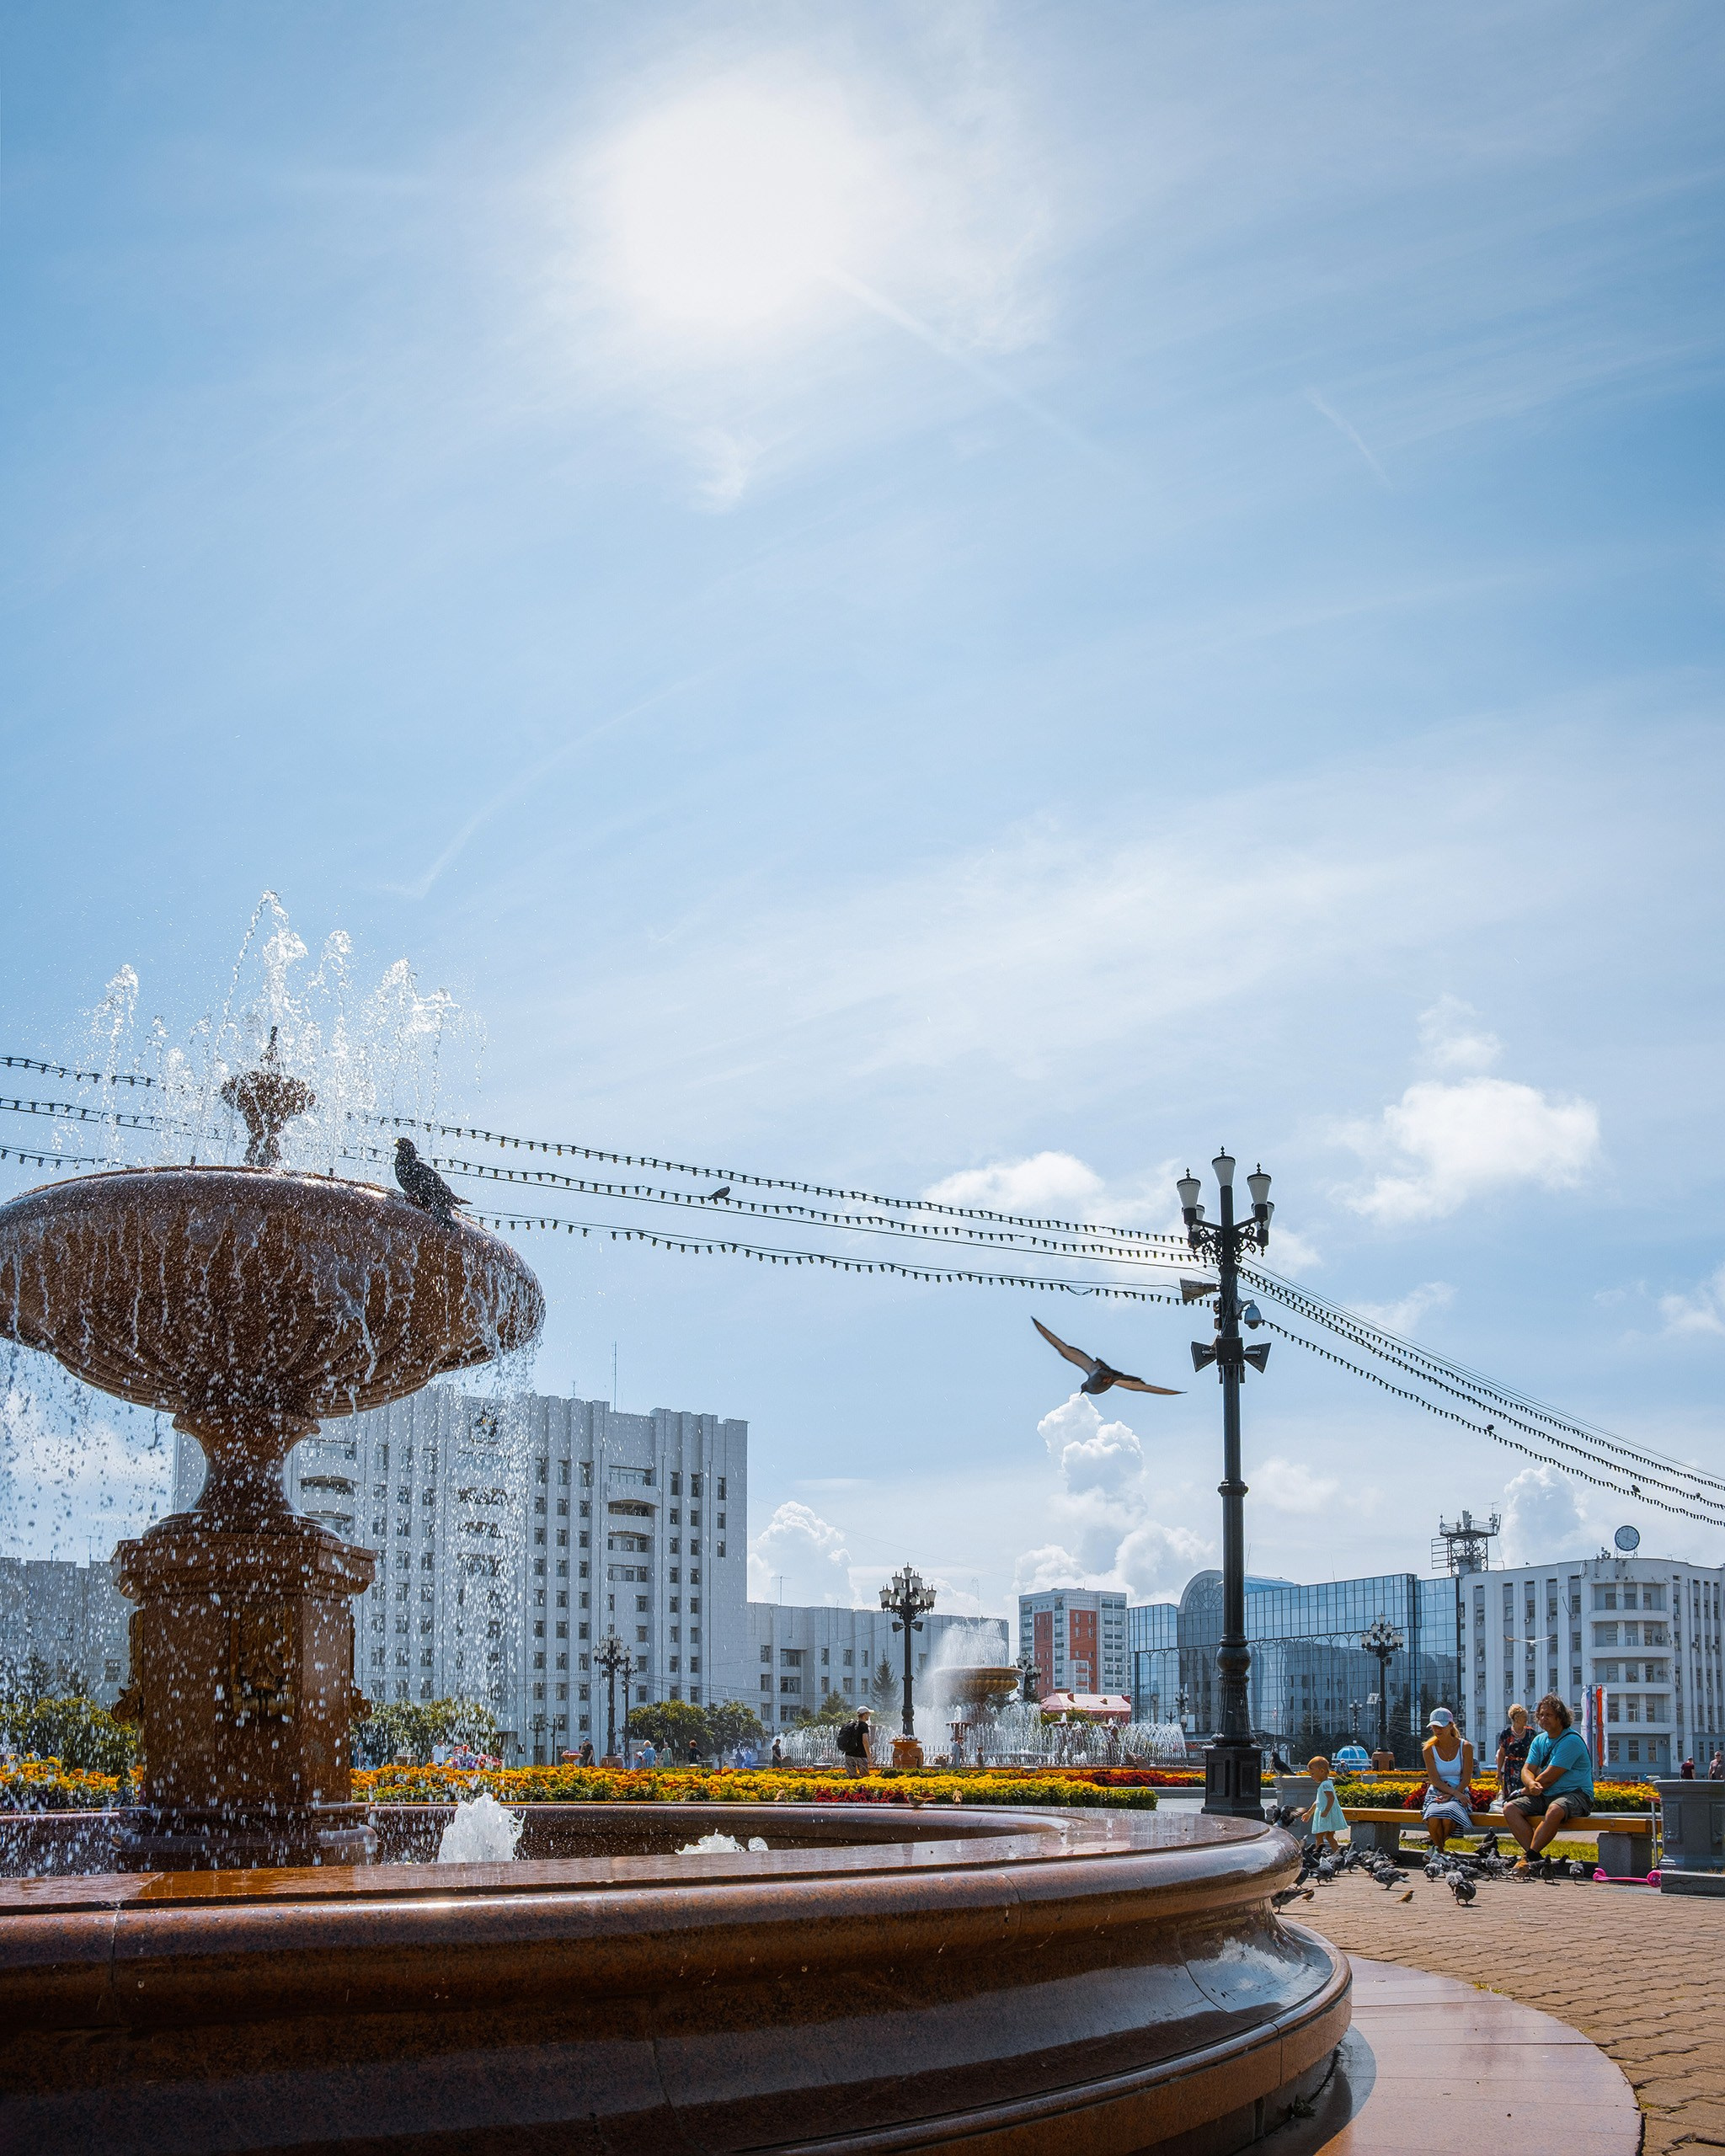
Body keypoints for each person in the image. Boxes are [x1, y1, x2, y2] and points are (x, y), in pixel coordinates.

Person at [1503, 1692, 1594, 1868]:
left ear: (1561, 1718)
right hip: (1544, 1793)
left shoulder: (1571, 1741)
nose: (1544, 1719)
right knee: (1510, 1808)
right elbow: (1527, 1769)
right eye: (1541, 1715)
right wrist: (1530, 1784)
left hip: (1576, 1794)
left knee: (1554, 1810)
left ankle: (1528, 1858)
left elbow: (1550, 1777)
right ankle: (1534, 1860)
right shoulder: (1539, 1740)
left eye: (1549, 1715)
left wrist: (1528, 1788)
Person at [1418, 1707, 1475, 1851]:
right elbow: (1435, 1780)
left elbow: (1466, 1778)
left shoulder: (1465, 1747)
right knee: (1433, 1817)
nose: (1437, 1730)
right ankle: (1440, 1851)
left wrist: (1454, 1794)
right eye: (1434, 1727)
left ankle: (1436, 1851)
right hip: (1437, 1791)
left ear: (1450, 1725)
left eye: (1441, 1726)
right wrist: (1451, 1794)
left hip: (1460, 1790)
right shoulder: (1428, 1749)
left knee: (1448, 1816)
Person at [1297, 1755, 1348, 1853]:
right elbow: (1318, 1801)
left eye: (1312, 1774)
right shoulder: (1327, 1783)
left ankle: (1318, 1853)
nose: (1312, 1777)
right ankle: (1338, 1853)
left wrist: (1326, 1811)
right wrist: (1309, 1813)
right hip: (1328, 1814)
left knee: (1319, 1835)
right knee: (1329, 1836)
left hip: (1326, 1815)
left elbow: (1331, 1798)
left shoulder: (1325, 1785)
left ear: (1321, 1771)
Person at [1495, 1703, 1532, 1801]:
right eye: (1524, 1717)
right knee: (1511, 1794)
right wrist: (1499, 1771)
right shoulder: (1506, 1733)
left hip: (1527, 1767)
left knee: (1526, 1793)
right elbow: (1502, 1753)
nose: (1526, 1719)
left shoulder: (1531, 1733)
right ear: (1516, 1718)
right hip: (1511, 1768)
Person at [836, 1706, 872, 1777]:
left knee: (851, 1777)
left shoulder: (852, 1725)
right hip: (860, 1755)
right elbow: (865, 1741)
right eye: (868, 1714)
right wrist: (869, 1757)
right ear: (864, 1714)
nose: (869, 1716)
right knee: (865, 1777)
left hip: (849, 1754)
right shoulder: (863, 1725)